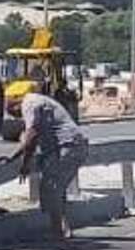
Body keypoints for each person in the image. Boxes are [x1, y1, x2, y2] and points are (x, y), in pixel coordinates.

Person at [7, 91, 88, 242]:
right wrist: (15, 156)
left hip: (66, 146)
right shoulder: (39, 100)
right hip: (74, 145)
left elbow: (31, 137)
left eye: (16, 115)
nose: (19, 118)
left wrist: (25, 164)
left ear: (16, 105)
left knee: (50, 188)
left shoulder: (29, 105)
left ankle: (58, 232)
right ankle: (63, 229)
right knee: (57, 189)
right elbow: (28, 137)